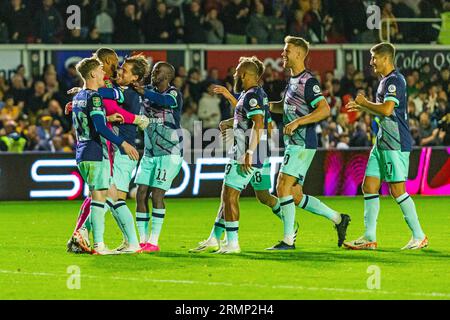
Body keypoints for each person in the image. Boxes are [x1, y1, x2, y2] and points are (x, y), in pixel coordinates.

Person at [189, 56, 301, 253]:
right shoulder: (254, 93)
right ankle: (215, 238)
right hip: (262, 152)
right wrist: (229, 119)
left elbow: (258, 123)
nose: (234, 75)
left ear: (244, 75)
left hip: (248, 152)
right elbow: (244, 115)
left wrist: (249, 152)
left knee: (229, 194)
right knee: (263, 195)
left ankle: (232, 243)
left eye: (236, 72)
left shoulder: (252, 95)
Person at [269, 36, 350, 250]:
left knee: (282, 186)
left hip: (302, 143)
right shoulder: (292, 81)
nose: (282, 54)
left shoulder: (308, 81)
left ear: (298, 54)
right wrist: (266, 106)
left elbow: (323, 109)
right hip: (295, 143)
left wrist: (298, 122)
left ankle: (288, 240)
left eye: (286, 51)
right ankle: (339, 219)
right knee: (295, 195)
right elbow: (284, 107)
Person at [344, 42, 428, 250]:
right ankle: (369, 237)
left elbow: (388, 109)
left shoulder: (394, 81)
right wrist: (366, 107)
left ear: (385, 58)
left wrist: (365, 104)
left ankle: (419, 236)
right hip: (382, 143)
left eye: (374, 58)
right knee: (369, 186)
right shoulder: (385, 82)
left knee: (398, 190)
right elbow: (384, 111)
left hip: (395, 142)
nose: (371, 62)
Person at [71, 57, 139, 255]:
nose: (105, 74)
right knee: (98, 199)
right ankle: (99, 246)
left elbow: (91, 121)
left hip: (83, 152)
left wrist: (107, 117)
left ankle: (132, 243)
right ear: (92, 74)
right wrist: (123, 143)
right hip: (95, 152)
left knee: (112, 195)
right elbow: (100, 127)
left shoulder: (78, 96)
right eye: (101, 70)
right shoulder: (94, 97)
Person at [132, 61, 184, 252]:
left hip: (170, 152)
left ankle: (154, 241)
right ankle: (142, 240)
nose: (153, 74)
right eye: (153, 71)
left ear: (167, 76)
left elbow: (166, 102)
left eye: (157, 71)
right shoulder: (144, 91)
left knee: (157, 195)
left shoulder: (173, 93)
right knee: (141, 193)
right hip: (149, 152)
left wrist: (143, 92)